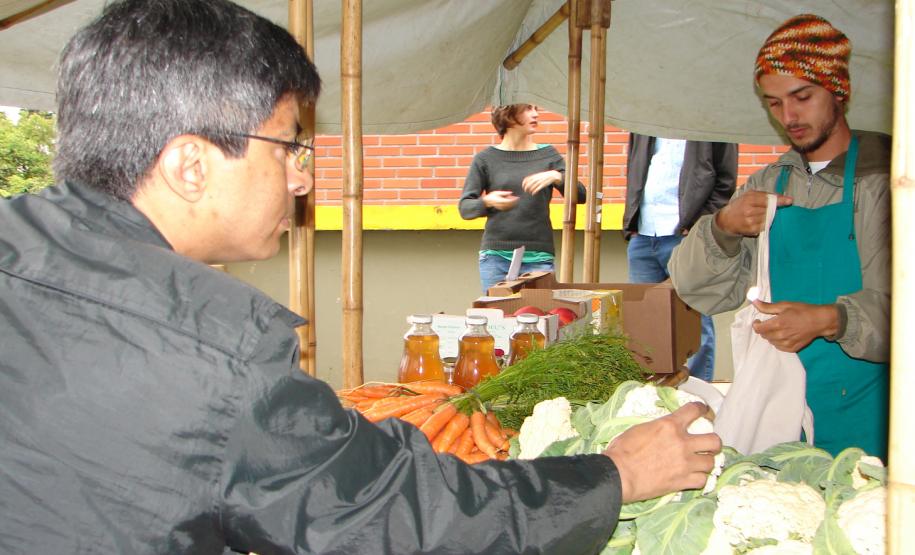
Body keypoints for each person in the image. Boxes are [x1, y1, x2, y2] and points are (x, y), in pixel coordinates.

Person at [0, 0, 721, 553]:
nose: (302, 177)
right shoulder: (215, 348)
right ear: (191, 165)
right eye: (288, 146)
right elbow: (390, 515)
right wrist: (615, 476)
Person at [669, 14, 890, 459]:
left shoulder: (889, 179)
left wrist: (832, 319)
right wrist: (723, 228)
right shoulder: (769, 185)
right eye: (774, 103)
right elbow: (697, 291)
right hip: (781, 414)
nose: (789, 117)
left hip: (875, 417)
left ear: (838, 90)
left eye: (802, 97)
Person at [623, 134, 737, 381]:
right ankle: (653, 391)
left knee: (694, 321)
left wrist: (699, 224)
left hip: (686, 236)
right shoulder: (644, 125)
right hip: (643, 235)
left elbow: (726, 182)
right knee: (644, 320)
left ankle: (696, 390)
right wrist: (631, 222)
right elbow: (634, 169)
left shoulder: (710, 125)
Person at [459, 104, 587, 293]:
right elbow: (465, 208)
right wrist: (487, 201)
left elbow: (581, 195)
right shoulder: (485, 159)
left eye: (536, 108)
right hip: (496, 258)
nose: (535, 114)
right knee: (498, 312)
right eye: (527, 109)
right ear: (508, 116)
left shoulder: (548, 155)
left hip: (539, 257)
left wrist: (557, 177)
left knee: (539, 311)